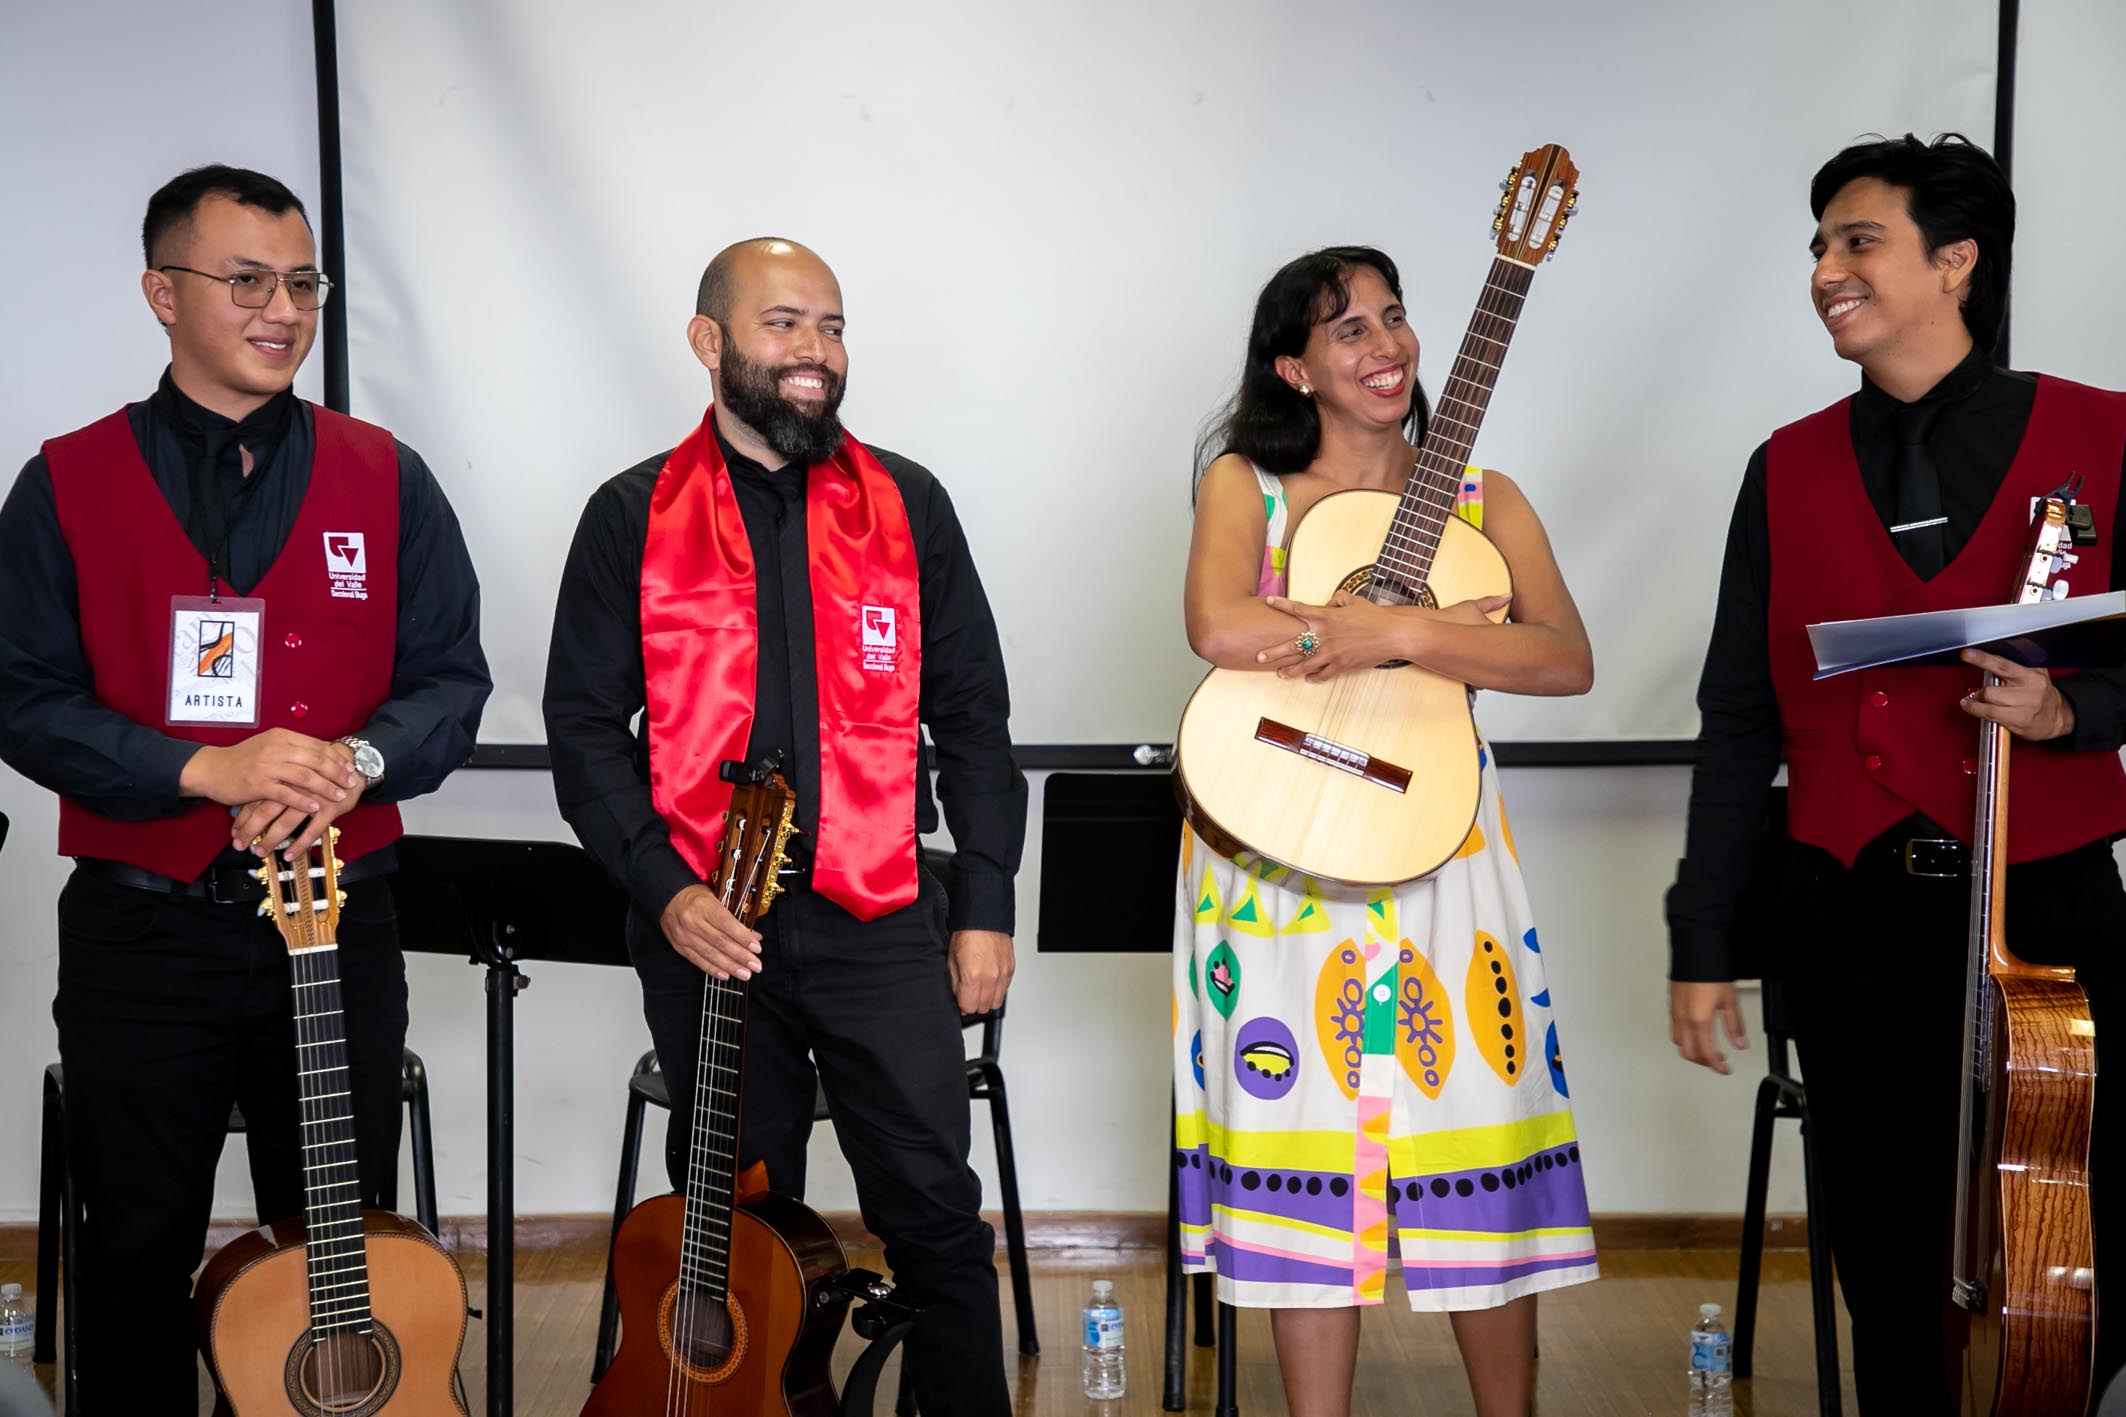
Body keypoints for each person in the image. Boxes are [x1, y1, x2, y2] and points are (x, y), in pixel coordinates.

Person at [0, 164, 490, 1413]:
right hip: (139, 927)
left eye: (303, 281)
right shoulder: (62, 482)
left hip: (338, 927)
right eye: (248, 281)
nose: (284, 308)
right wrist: (203, 767)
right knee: (135, 1253)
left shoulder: (390, 477)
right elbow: (24, 695)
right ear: (163, 294)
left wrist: (352, 764)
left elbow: (449, 680)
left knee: (336, 1251)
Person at [1666, 132, 2126, 1413]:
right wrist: (1701, 936)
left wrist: (2072, 708)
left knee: (2089, 1238)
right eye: (1817, 246)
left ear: (1955, 262)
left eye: (1855, 241)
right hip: (1849, 914)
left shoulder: (2104, 436)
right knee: (1886, 1258)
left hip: (2051, 900)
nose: (1823, 269)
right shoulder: (1784, 466)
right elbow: (1736, 717)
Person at [544, 237, 1026, 1414]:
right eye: (785, 325)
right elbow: (583, 729)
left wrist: (988, 907)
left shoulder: (907, 504)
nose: (816, 353)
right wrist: (666, 891)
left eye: (831, 326)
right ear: (709, 343)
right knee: (738, 1224)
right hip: (710, 923)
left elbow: (972, 719)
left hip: (878, 916)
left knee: (931, 1207)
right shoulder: (629, 516)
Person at [1173, 246, 1598, 1417]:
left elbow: (1562, 658)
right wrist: (1400, 627)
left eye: (1393, 318)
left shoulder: (1483, 501)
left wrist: (1405, 637)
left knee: (1472, 1119)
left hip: (1441, 841)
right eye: (1346, 328)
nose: (1385, 345)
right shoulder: (1246, 488)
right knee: (1303, 1132)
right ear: (1293, 367)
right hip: (1275, 833)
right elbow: (1216, 623)